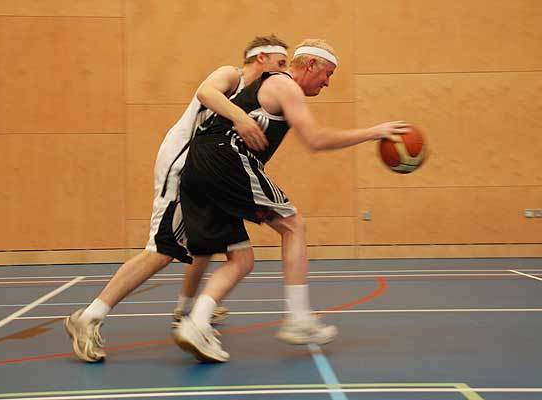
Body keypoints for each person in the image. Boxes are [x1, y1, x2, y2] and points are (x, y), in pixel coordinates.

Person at [174, 39, 410, 362]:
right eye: (327, 74)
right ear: (310, 64)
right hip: (225, 157)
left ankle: (196, 324)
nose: (327, 83)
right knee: (293, 226)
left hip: (198, 166)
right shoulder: (284, 85)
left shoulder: (271, 86)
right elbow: (315, 139)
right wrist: (373, 132)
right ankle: (298, 319)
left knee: (241, 260)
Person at [64, 35, 289, 362]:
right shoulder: (231, 75)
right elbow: (205, 92)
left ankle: (190, 312)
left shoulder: (258, 95)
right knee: (161, 249)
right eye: (280, 63)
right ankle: (88, 317)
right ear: (261, 58)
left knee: (213, 248)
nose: (282, 71)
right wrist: (241, 119)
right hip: (182, 166)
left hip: (208, 174)